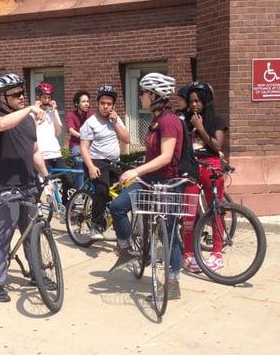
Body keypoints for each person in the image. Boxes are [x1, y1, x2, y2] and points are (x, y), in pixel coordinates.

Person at [108, 72, 184, 300]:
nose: (140, 97)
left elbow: (166, 157)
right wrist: (137, 167)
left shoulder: (169, 121)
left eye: (142, 93)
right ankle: (126, 249)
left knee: (169, 234)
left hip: (167, 184)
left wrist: (136, 171)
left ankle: (173, 283)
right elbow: (153, 155)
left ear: (154, 94)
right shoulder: (156, 120)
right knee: (117, 206)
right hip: (150, 180)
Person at [0, 73, 51, 303]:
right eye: (15, 94)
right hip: (5, 185)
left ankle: (37, 274)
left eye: (22, 93)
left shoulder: (27, 120)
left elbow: (34, 151)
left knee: (31, 232)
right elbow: (2, 125)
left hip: (28, 185)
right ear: (2, 97)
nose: (21, 97)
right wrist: (31, 109)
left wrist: (47, 177)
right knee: (2, 235)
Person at [181, 82, 227, 273]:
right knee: (188, 212)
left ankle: (217, 253)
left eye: (198, 100)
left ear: (206, 101)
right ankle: (189, 253)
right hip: (192, 168)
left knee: (215, 209)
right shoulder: (185, 120)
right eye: (191, 101)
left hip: (211, 166)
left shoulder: (216, 120)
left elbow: (217, 145)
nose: (194, 105)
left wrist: (199, 127)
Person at [80, 85, 130, 240]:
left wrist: (115, 122)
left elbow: (126, 139)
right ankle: (96, 225)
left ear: (113, 105)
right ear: (98, 103)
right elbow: (83, 147)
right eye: (102, 103)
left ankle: (119, 226)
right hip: (96, 161)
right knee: (102, 189)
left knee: (123, 194)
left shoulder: (116, 119)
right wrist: (91, 166)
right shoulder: (91, 122)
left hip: (114, 162)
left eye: (109, 103)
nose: (105, 106)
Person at [34, 82, 73, 205]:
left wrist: (54, 112)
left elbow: (58, 132)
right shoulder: (32, 112)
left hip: (55, 153)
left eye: (49, 97)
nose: (46, 100)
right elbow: (30, 132)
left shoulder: (52, 111)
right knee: (40, 184)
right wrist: (36, 112)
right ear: (38, 98)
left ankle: (66, 204)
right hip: (41, 154)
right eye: (44, 97)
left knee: (68, 178)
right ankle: (36, 208)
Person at [66, 90, 93, 189]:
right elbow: (71, 130)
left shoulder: (91, 115)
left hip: (90, 146)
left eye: (87, 101)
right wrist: (81, 136)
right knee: (80, 162)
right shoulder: (71, 115)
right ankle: (79, 193)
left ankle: (91, 190)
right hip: (76, 145)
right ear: (77, 103)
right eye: (83, 101)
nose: (86, 104)